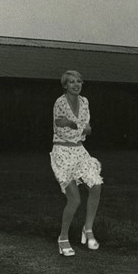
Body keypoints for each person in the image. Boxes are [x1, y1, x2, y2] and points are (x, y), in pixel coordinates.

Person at [50, 70, 103, 256]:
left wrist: (73, 125)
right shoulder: (60, 102)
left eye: (79, 81)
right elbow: (62, 130)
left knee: (96, 185)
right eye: (71, 82)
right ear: (65, 85)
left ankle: (87, 229)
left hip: (80, 151)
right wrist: (78, 127)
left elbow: (87, 131)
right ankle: (63, 238)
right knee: (75, 199)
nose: (76, 85)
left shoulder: (85, 102)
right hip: (62, 152)